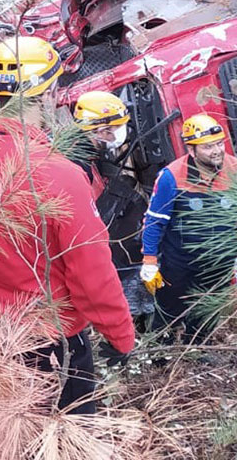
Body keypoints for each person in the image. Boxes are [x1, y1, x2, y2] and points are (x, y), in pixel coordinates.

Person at [0, 35, 134, 415]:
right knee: (71, 432)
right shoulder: (60, 175)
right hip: (49, 340)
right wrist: (120, 336)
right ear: (49, 91)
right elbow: (92, 272)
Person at [140, 113, 237, 345]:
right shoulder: (171, 176)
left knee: (208, 308)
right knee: (168, 308)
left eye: (219, 144)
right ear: (191, 151)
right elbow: (155, 221)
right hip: (179, 260)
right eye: (208, 147)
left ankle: (197, 346)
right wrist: (149, 261)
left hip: (221, 259)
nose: (217, 151)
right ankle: (158, 350)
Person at [72, 91, 153, 320]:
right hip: (107, 245)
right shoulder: (78, 165)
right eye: (118, 127)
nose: (121, 133)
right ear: (101, 131)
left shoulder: (88, 153)